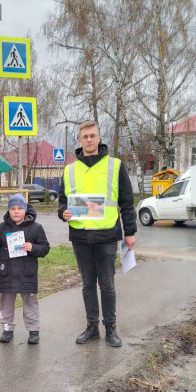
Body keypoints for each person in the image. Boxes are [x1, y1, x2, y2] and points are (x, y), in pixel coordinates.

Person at [58, 121, 137, 347]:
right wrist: (62, 212)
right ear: (79, 140)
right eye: (85, 136)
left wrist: (130, 232)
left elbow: (127, 203)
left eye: (93, 135)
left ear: (99, 137)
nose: (89, 139)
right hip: (80, 236)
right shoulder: (69, 170)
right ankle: (91, 326)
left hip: (106, 235)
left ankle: (110, 327)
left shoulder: (115, 166)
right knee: (87, 284)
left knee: (107, 284)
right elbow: (63, 202)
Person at [0, 193, 50, 344]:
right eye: (12, 208)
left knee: (30, 303)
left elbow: (45, 248)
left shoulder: (36, 228)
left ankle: (33, 331)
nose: (16, 211)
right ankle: (7, 329)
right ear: (8, 210)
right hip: (6, 272)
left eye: (19, 208)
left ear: (25, 210)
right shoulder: (0, 229)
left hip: (27, 273)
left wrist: (32, 247)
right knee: (5, 303)